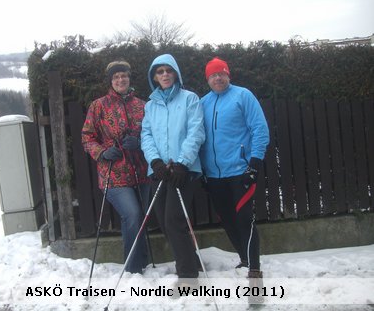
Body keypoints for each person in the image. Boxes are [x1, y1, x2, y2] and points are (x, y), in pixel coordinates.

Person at [199, 57, 269, 300]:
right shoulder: (203, 103)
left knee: (244, 219)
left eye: (222, 74)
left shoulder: (243, 96)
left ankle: (254, 271)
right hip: (214, 175)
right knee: (227, 219)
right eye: (213, 75)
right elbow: (199, 138)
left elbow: (260, 129)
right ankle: (244, 258)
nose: (218, 78)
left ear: (229, 75)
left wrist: (254, 164)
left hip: (240, 171)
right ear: (207, 79)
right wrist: (201, 170)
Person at [141, 53, 205, 281]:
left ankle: (187, 276)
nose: (165, 74)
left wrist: (182, 163)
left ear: (175, 73)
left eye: (168, 70)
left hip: (182, 171)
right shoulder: (150, 106)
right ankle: (191, 260)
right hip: (160, 171)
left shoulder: (190, 99)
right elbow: (146, 135)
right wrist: (155, 161)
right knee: (164, 221)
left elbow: (196, 132)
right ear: (154, 77)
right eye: (160, 71)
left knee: (174, 220)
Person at [82, 60, 150, 274]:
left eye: (124, 76)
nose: (120, 80)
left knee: (141, 218)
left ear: (129, 78)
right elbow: (87, 137)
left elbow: (153, 135)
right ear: (111, 81)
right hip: (113, 175)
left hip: (141, 173)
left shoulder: (142, 105)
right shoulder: (98, 106)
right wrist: (102, 152)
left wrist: (139, 144)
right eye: (116, 77)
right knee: (132, 214)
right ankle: (132, 268)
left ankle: (143, 260)